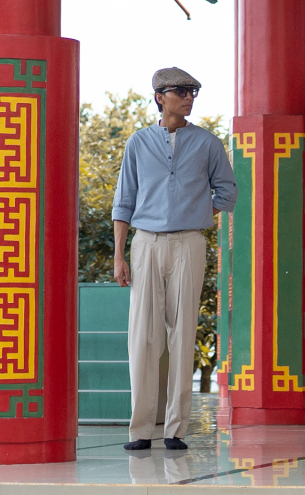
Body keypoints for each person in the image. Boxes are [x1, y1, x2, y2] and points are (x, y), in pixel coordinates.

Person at [112, 67, 237, 451]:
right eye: (180, 91)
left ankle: (175, 430)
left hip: (189, 243)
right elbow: (124, 201)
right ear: (159, 97)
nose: (188, 98)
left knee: (182, 334)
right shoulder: (138, 143)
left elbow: (227, 193)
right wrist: (119, 255)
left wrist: (195, 213)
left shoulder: (208, 143)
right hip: (145, 243)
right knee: (142, 338)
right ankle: (140, 430)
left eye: (192, 92)